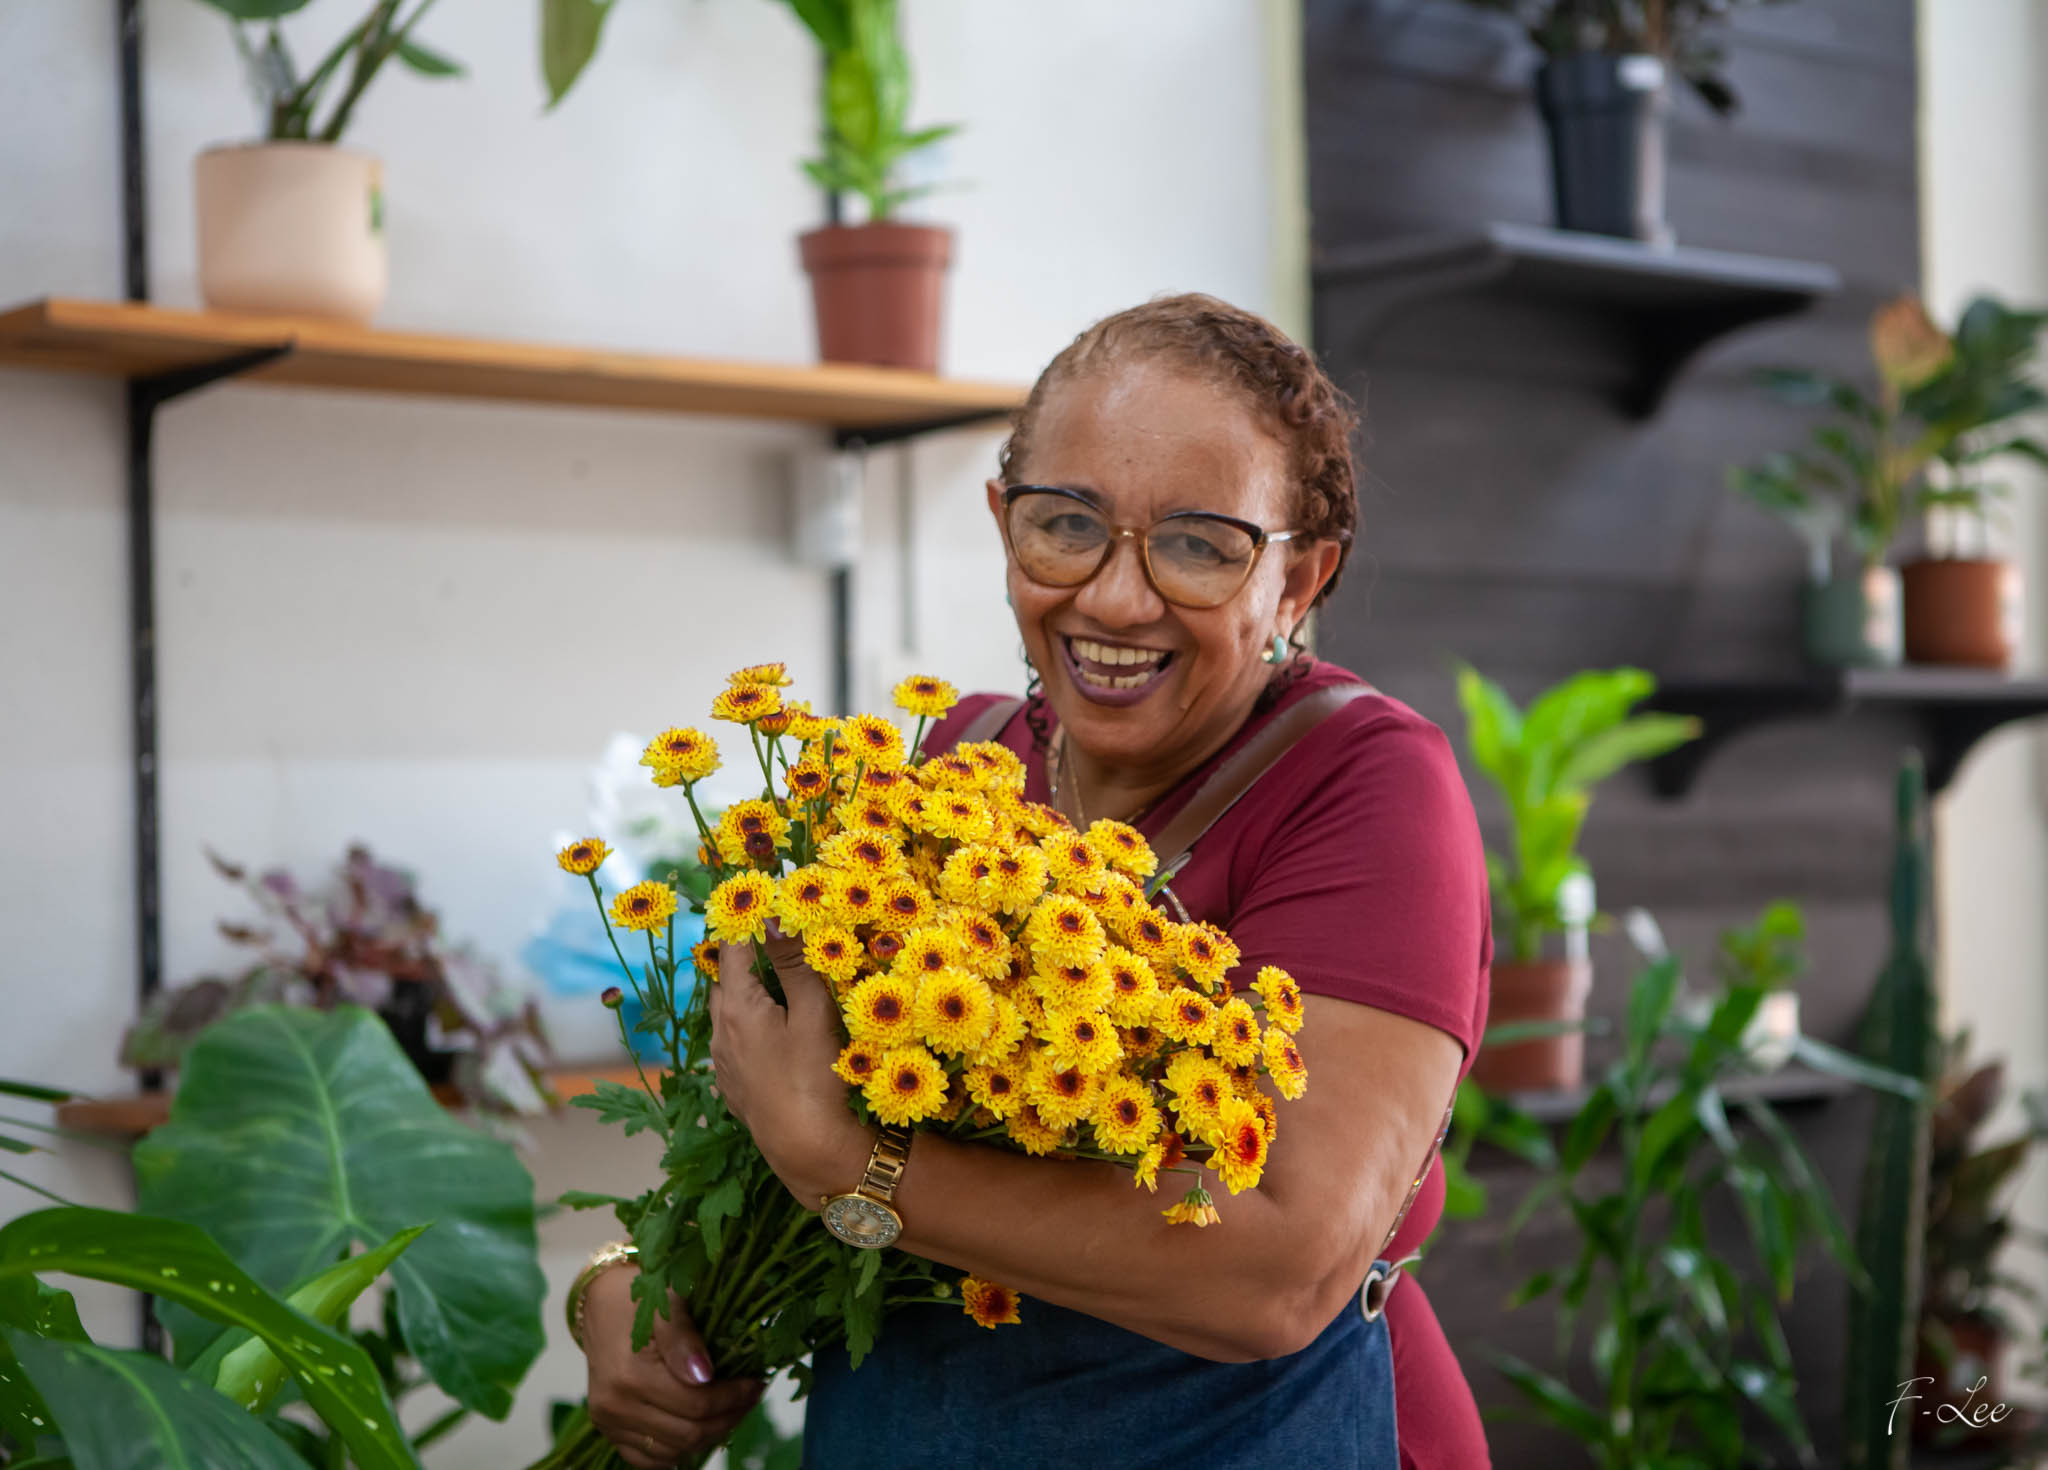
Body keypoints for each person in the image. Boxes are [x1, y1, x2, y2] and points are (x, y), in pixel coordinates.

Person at [575, 294, 1492, 1469]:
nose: (1114, 598)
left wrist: (851, 1170)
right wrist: (627, 1289)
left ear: (1298, 581)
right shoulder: (943, 773)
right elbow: (766, 1116)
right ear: (1004, 521)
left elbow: (1278, 1272)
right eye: (1066, 525)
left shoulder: (1362, 784)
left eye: (1198, 546)